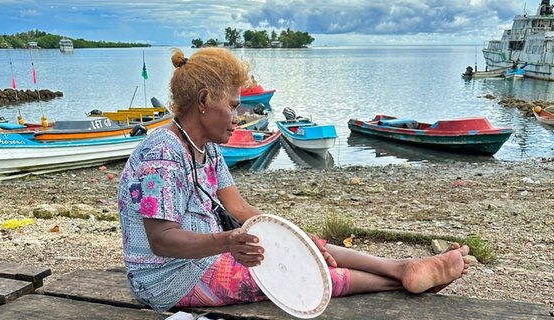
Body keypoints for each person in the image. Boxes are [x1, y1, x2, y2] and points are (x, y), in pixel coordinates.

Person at [117, 47, 471, 312]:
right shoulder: (162, 153)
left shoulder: (204, 147)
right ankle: (403, 285)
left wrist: (295, 235)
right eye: (235, 105)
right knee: (296, 277)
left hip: (205, 257)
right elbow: (162, 240)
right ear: (205, 101)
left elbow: (238, 207)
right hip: (167, 279)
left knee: (307, 248)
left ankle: (403, 268)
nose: (240, 116)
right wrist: (228, 242)